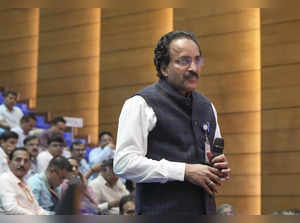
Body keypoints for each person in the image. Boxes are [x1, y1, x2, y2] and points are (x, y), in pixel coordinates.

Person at [114, 30, 231, 215]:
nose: (194, 67)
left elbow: (208, 159)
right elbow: (124, 163)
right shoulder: (140, 104)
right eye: (184, 61)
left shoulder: (208, 107)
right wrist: (184, 171)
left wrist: (218, 168)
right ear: (164, 69)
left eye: (197, 60)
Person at [0, 147, 48, 215]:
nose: (22, 164)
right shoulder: (5, 179)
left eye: (26, 161)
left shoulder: (24, 182)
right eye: (18, 160)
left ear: (30, 165)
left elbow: (36, 208)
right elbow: (11, 208)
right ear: (9, 162)